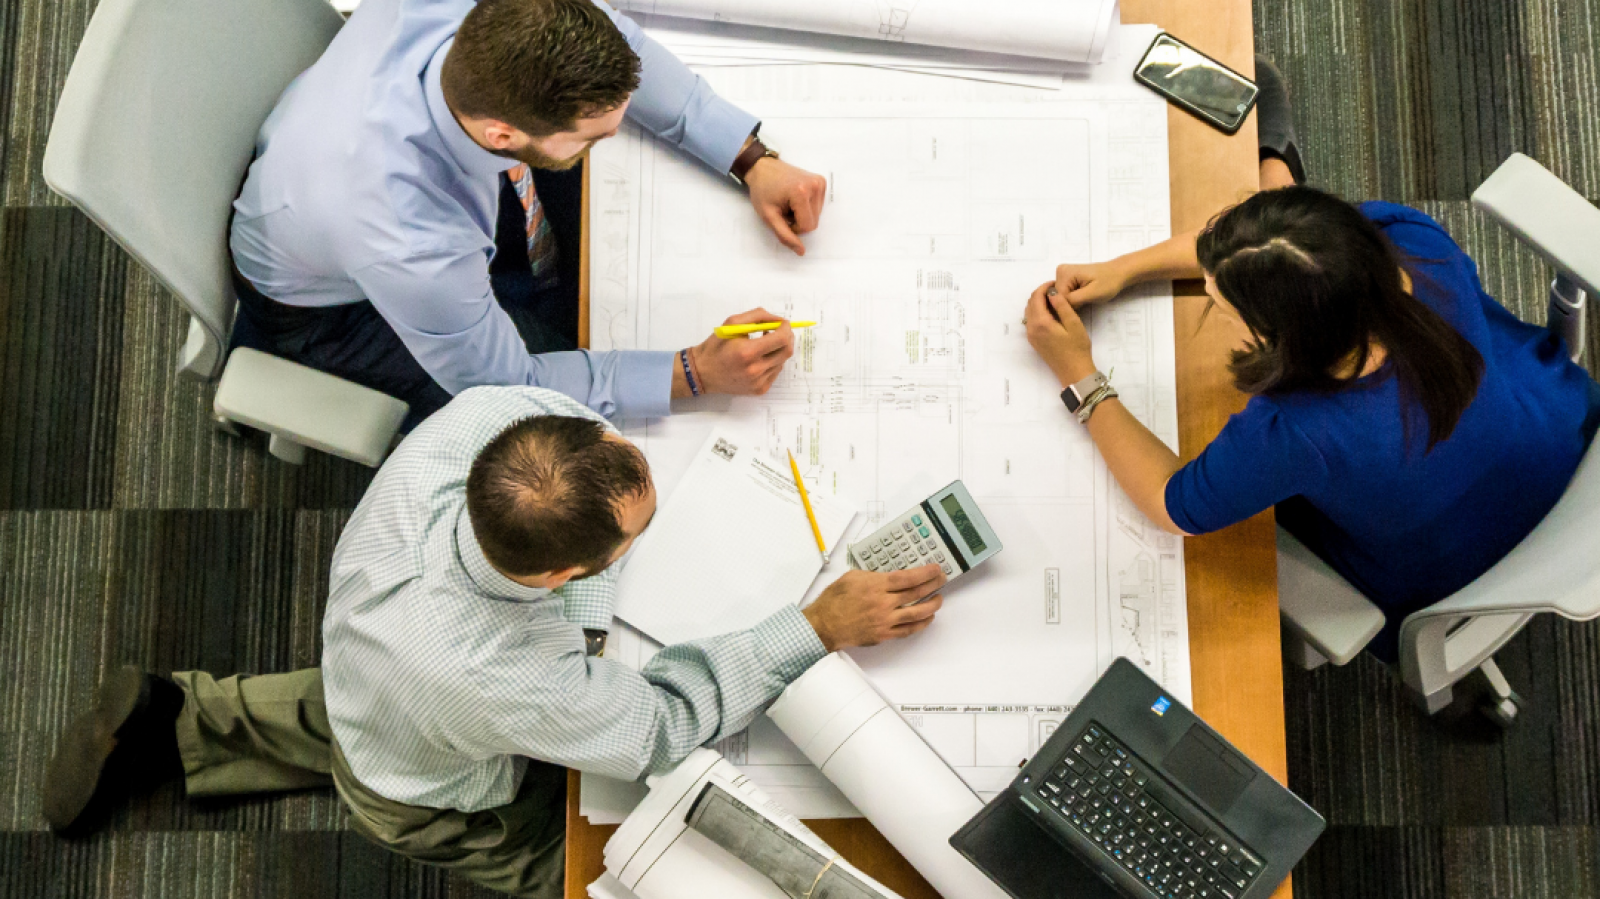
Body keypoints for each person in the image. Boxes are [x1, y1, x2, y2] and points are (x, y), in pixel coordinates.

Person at [42, 386, 947, 897]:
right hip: (429, 787)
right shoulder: (505, 678)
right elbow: (660, 728)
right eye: (632, 539)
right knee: (586, 855)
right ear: (558, 574)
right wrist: (814, 625)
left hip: (376, 658)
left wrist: (586, 609)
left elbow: (575, 448)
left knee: (363, 705)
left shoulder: (487, 423)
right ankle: (195, 729)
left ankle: (180, 716)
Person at [1021, 61, 1600, 661]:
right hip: (1560, 429)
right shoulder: (1405, 237)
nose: (1213, 305)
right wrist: (1126, 269)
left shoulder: (1296, 433)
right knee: (1262, 91)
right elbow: (1273, 250)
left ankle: (1277, 156)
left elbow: (1175, 506)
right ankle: (1279, 159)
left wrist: (1078, 375)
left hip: (1455, 567)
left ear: (1285, 338)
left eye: (1223, 305)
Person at [230, 0, 831, 426]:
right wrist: (693, 372)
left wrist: (748, 157)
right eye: (595, 135)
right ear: (501, 133)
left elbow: (623, 44)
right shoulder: (409, 239)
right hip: (329, 310)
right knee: (556, 424)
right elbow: (509, 386)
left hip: (330, 153)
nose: (616, 134)